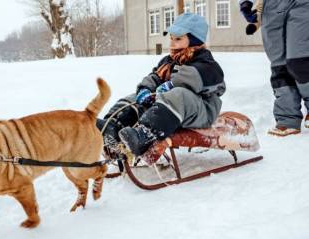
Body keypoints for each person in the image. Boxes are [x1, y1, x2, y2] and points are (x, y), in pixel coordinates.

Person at [97, 13, 226, 156]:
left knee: (179, 95)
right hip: (169, 109)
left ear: (194, 41)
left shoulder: (207, 63)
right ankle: (112, 127)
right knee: (134, 98)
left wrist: (172, 84)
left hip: (201, 111)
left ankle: (144, 135)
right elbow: (155, 77)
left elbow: (200, 77)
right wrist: (145, 90)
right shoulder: (169, 61)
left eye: (178, 39)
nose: (172, 43)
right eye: (171, 38)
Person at [240, 0, 309, 136]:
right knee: (279, 66)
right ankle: (287, 118)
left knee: (299, 58)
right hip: (270, 8)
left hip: (301, 4)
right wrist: (246, 4)